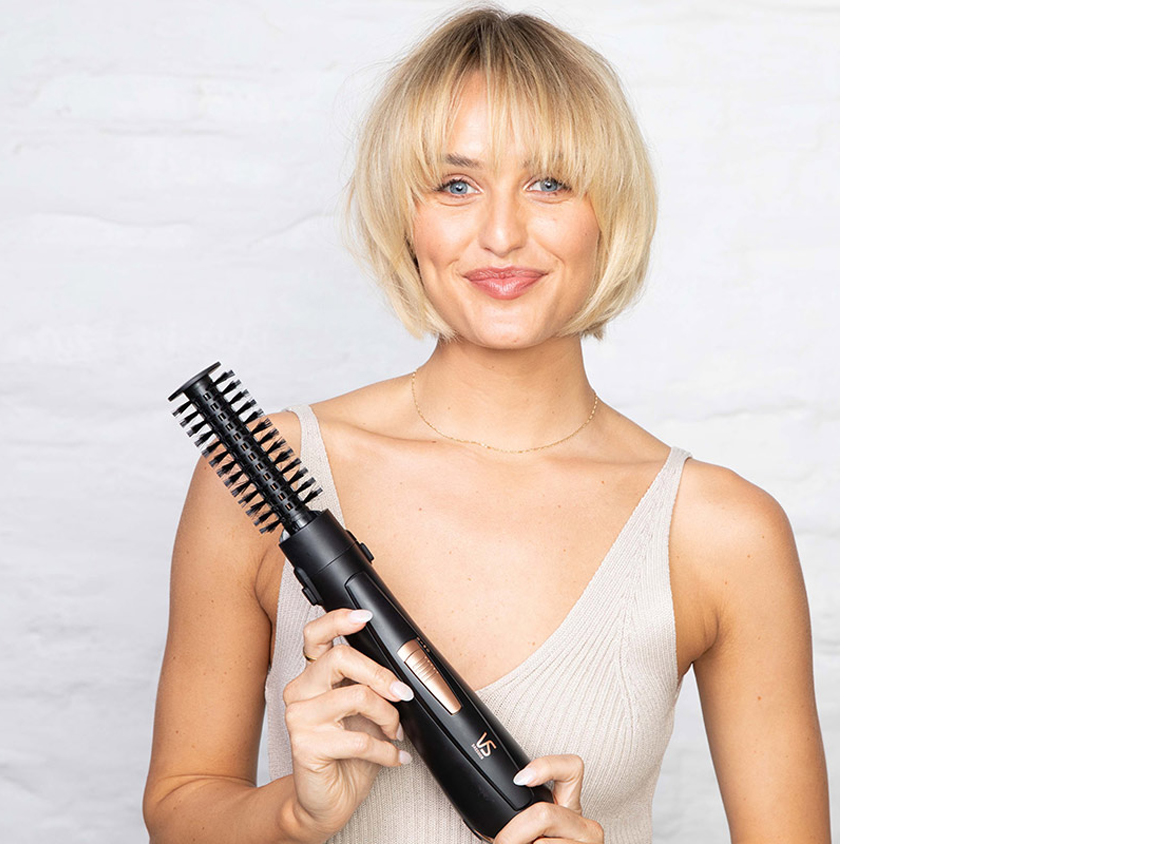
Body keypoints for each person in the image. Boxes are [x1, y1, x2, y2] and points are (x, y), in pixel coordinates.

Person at [143, 7, 830, 844]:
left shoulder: (719, 532)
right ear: (407, 215)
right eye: (457, 185)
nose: (502, 234)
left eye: (550, 183)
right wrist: (295, 813)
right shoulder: (265, 468)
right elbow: (179, 810)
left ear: (608, 211)